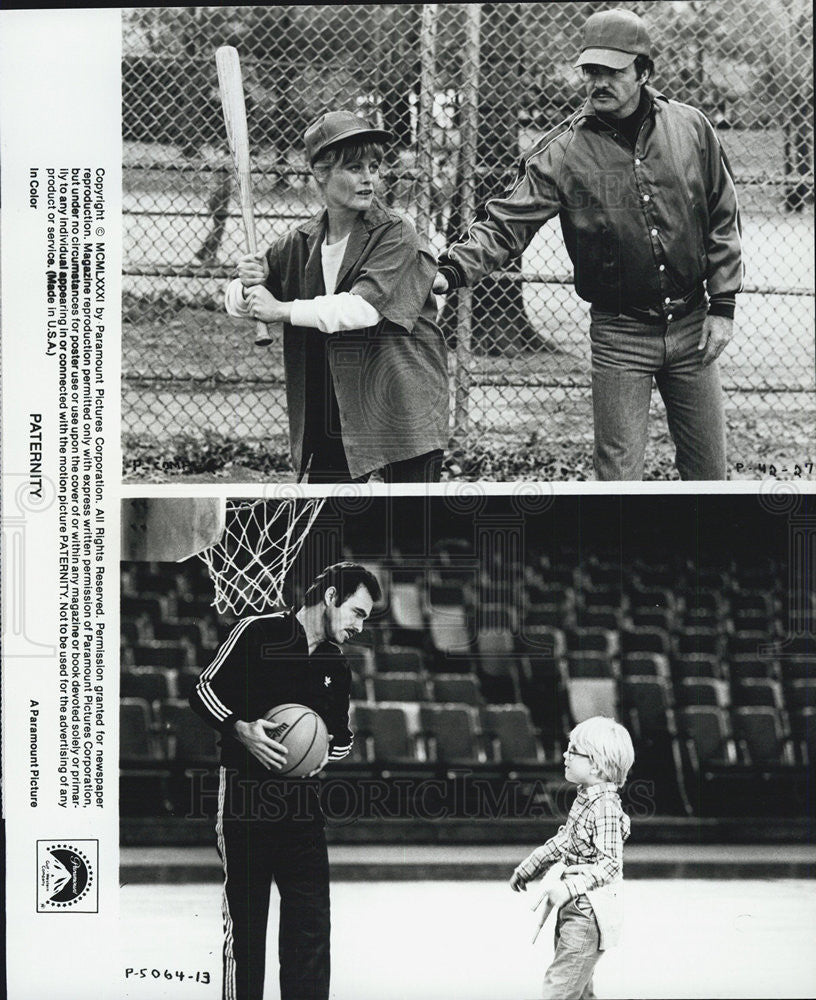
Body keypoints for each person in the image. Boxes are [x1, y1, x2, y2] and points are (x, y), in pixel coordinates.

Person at [435, 8, 743, 481]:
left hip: (692, 324)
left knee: (710, 474)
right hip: (620, 334)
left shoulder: (691, 128)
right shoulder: (563, 151)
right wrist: (450, 271)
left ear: (643, 71)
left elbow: (722, 214)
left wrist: (723, 306)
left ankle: (710, 557)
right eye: (591, 70)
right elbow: (505, 224)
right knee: (617, 479)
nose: (598, 82)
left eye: (613, 71)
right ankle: (621, 557)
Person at [189, 561, 382, 1000]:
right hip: (244, 794)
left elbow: (341, 739)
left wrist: (316, 754)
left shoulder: (336, 665)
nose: (358, 626)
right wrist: (242, 729)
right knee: (248, 926)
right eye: (356, 612)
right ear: (331, 597)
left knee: (311, 926)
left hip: (301, 804)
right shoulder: (257, 632)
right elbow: (202, 690)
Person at [224, 110, 449, 484]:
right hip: (337, 408)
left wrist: (281, 309)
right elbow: (236, 301)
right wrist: (247, 285)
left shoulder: (395, 234)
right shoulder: (301, 240)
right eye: (354, 168)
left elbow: (362, 308)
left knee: (412, 531)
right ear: (321, 173)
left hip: (403, 401)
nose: (369, 178)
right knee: (330, 527)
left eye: (374, 167)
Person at [510, 716, 635, 999]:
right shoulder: (587, 799)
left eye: (573, 750)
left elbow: (611, 864)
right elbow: (566, 839)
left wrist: (569, 887)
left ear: (596, 764)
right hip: (576, 905)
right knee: (577, 987)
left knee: (561, 987)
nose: (565, 755)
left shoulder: (605, 808)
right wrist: (532, 865)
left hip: (590, 909)